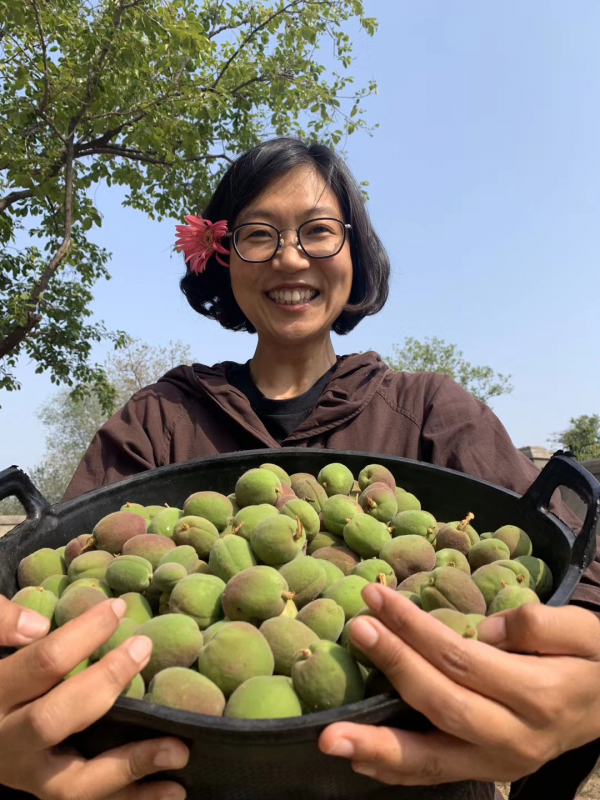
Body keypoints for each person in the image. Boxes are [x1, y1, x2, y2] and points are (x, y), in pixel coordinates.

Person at [0, 137, 598, 800]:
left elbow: (582, 577)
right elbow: (56, 575)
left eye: (318, 231)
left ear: (353, 252)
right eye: (259, 235)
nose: (289, 256)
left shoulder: (431, 412)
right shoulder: (159, 420)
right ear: (223, 256)